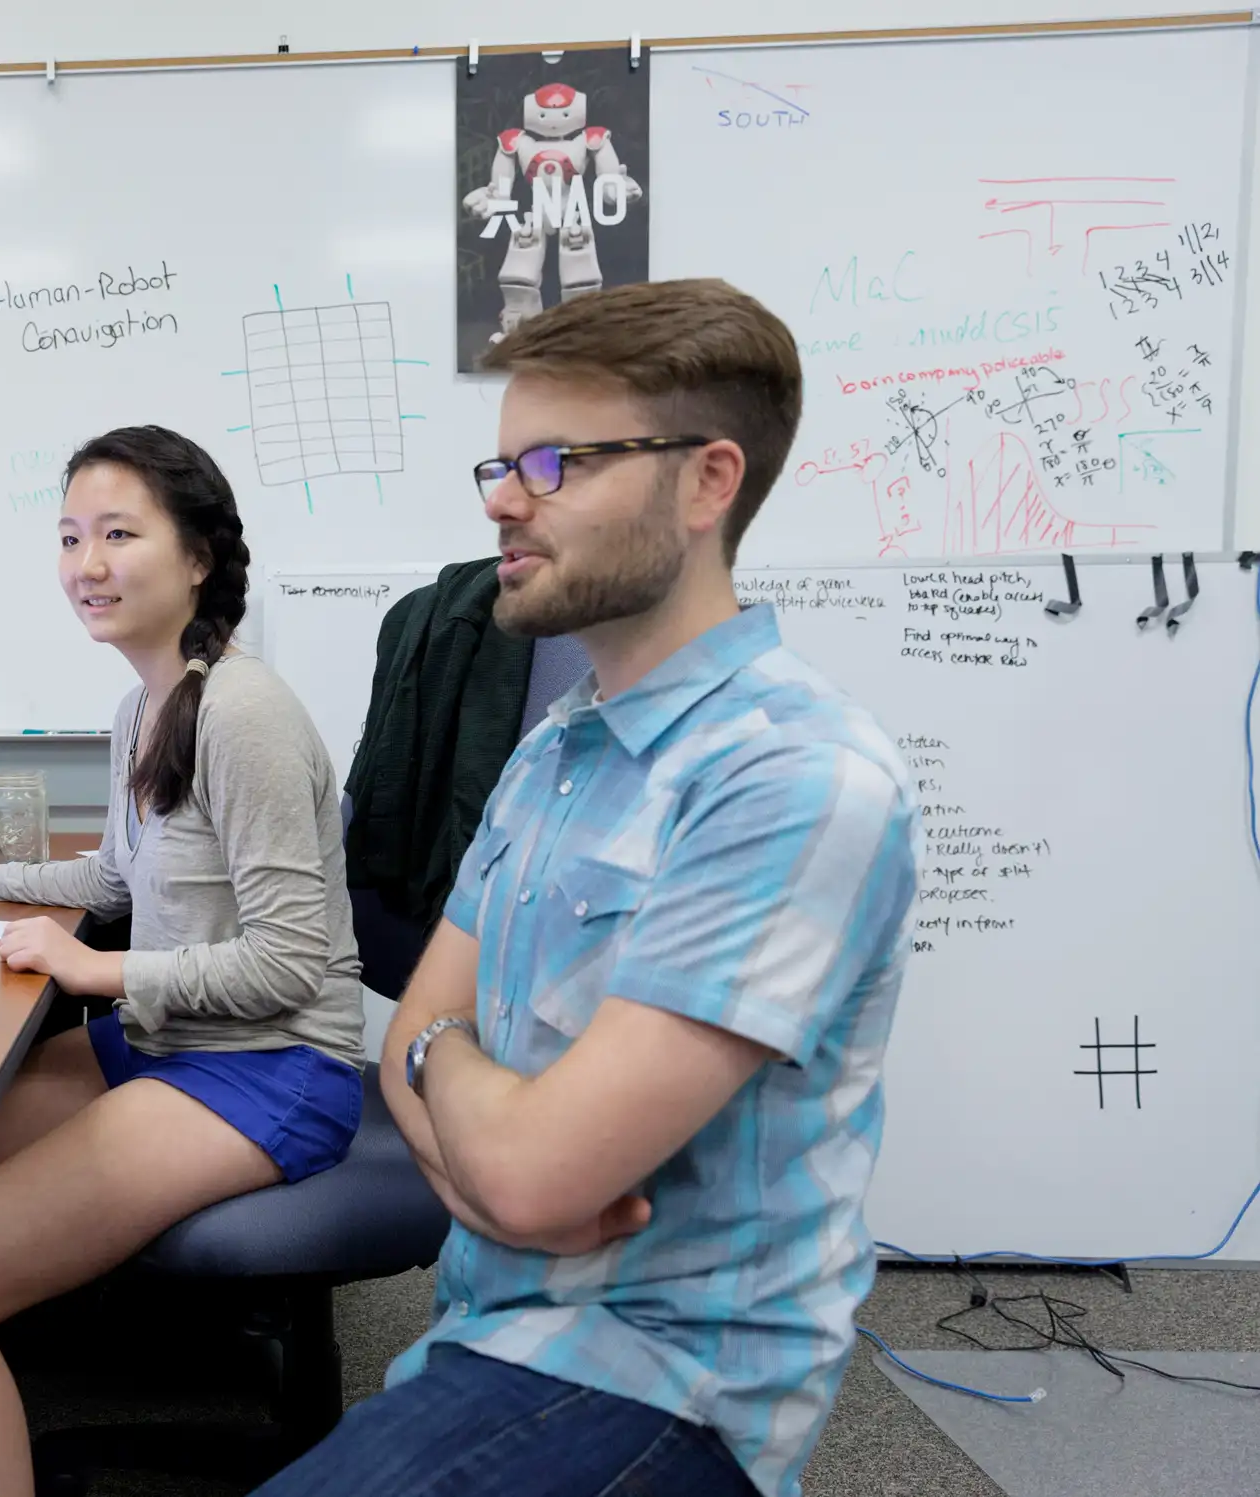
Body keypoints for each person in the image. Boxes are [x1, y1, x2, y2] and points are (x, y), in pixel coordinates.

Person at [254, 279, 920, 1497]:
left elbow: (502, 1149)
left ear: (708, 482)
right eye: (502, 463)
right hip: (486, 1327)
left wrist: (471, 1110)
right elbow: (416, 1036)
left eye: (557, 462)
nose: (504, 499)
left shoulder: (795, 776)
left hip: (660, 1381)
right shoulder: (556, 746)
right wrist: (481, 1115)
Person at [0, 424, 369, 1497]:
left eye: (116, 534)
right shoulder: (144, 701)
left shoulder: (244, 715)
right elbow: (115, 878)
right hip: (172, 1041)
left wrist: (96, 974)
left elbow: (287, 967)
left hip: (270, 1067)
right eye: (68, 537)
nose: (85, 566)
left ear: (196, 557)